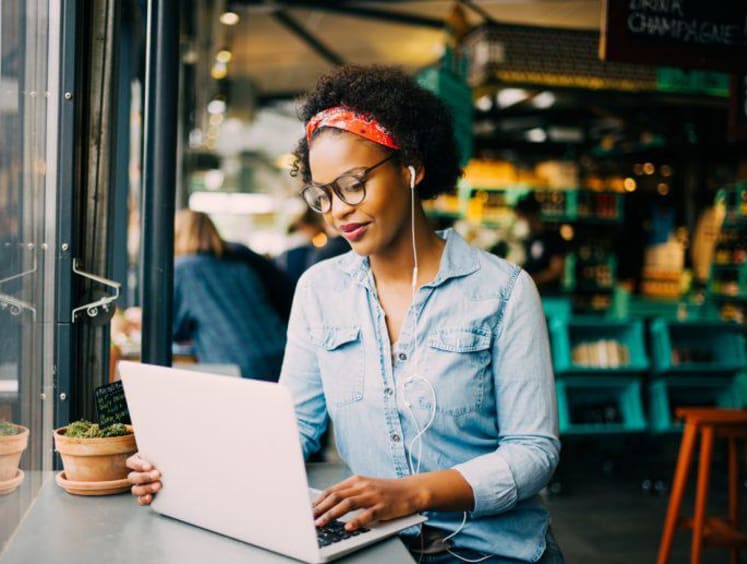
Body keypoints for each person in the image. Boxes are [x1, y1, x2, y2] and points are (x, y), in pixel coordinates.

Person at [128, 66, 563, 563]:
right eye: (323, 194)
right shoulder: (320, 290)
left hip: (494, 554)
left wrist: (413, 494)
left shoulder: (503, 291)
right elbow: (292, 427)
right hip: (377, 548)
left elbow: (534, 453)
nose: (338, 211)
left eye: (353, 185)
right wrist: (184, 468)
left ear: (411, 168)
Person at [171, 209, 291, 380]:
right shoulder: (240, 267)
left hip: (237, 366)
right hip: (280, 354)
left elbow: (174, 330)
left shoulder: (184, 269)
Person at [514, 194, 567, 295]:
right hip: (527, 294)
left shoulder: (553, 237)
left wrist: (532, 280)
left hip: (548, 295)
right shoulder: (525, 239)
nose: (519, 222)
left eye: (521, 218)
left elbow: (556, 270)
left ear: (531, 216)